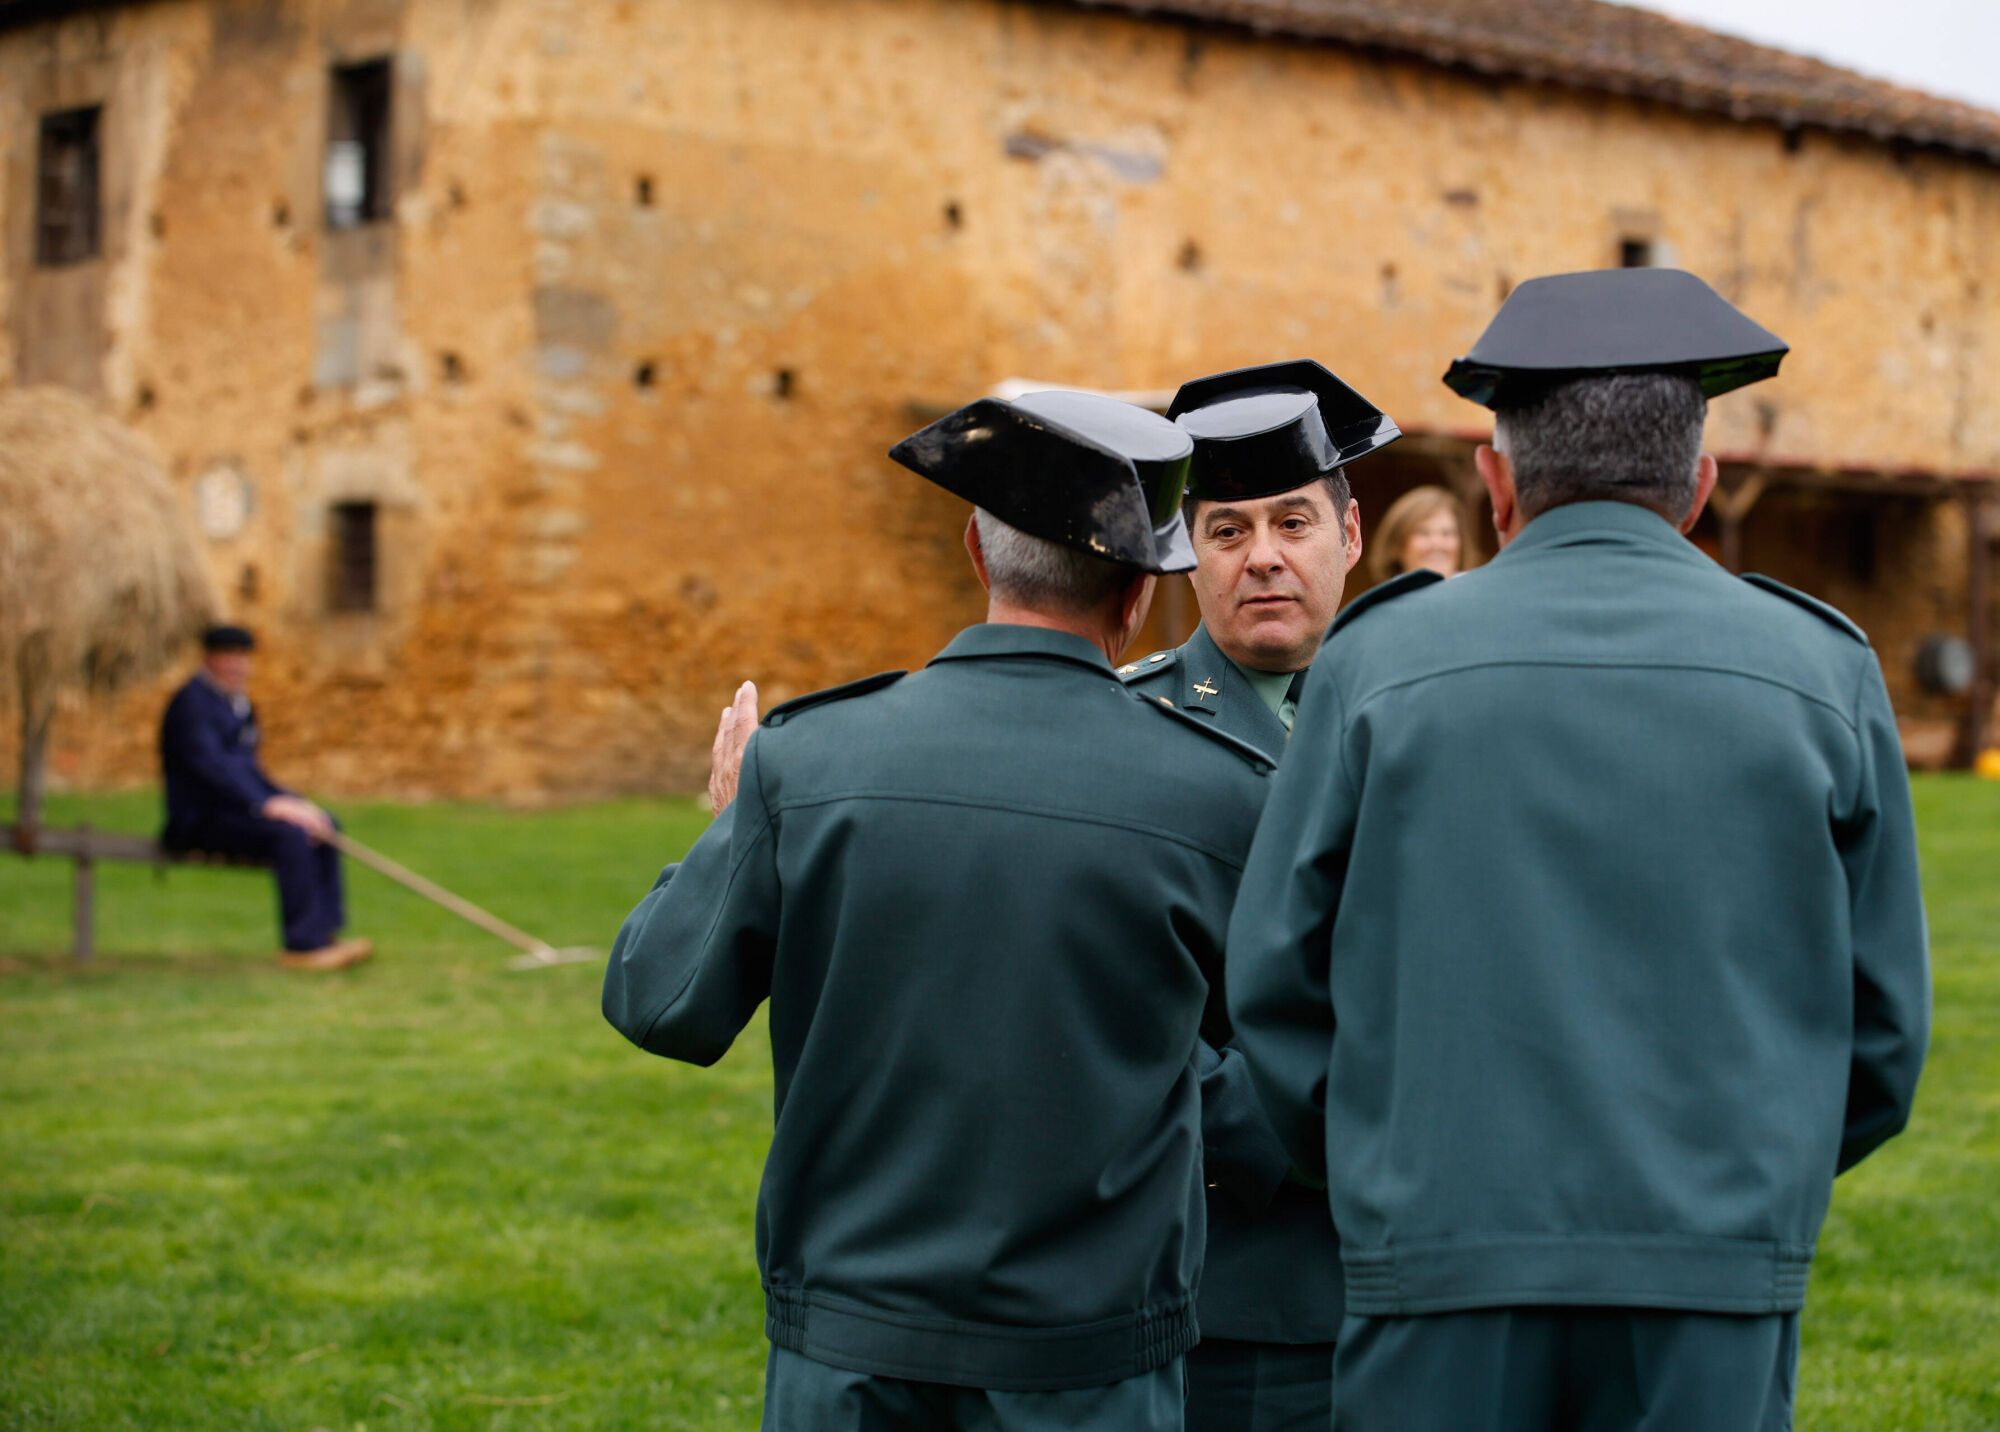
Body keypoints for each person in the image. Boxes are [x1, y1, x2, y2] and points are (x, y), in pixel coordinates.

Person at [1226, 268, 1930, 1432]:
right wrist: (1738, 1193)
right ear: (1698, 486)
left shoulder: (1376, 662)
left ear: (1494, 482)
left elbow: (1275, 982)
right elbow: (1883, 1031)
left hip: (1436, 1263)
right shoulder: (1822, 670)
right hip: (1707, 1274)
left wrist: (1378, 1165)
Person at [603, 392, 1275, 1431]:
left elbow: (660, 1002)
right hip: (1089, 1367)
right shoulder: (1220, 794)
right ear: (1142, 590)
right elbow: (1290, 1059)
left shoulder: (810, 758)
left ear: (975, 548)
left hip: (851, 1360)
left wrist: (731, 824)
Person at [1120, 358, 1398, 1430]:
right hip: (1232, 1292)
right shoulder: (1122, 734)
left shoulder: (1433, 716)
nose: (1264, 558)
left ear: (1350, 533)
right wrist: (1334, 1123)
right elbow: (1103, 1012)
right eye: (1226, 531)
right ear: (1188, 550)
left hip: (1436, 1283)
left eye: (1292, 522)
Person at [159, 625, 371, 971]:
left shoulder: (239, 705)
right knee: (288, 836)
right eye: (229, 657)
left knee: (322, 823)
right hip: (200, 819)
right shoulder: (191, 705)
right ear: (209, 658)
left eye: (243, 658)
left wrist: (296, 803)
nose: (238, 666)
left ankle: (324, 934)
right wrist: (266, 806)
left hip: (238, 811)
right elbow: (211, 768)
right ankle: (302, 945)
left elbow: (251, 773)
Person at [1367, 483, 1470, 582]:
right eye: (1424, 533)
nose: (1437, 543)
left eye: (1446, 533)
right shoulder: (1385, 599)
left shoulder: (1479, 595)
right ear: (1397, 546)